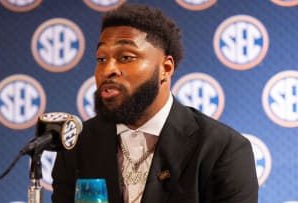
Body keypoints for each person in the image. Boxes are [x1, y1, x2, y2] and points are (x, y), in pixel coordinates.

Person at [52, 3, 258, 203]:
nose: (107, 70)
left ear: (166, 68)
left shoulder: (222, 150)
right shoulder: (78, 146)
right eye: (101, 59)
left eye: (125, 57)